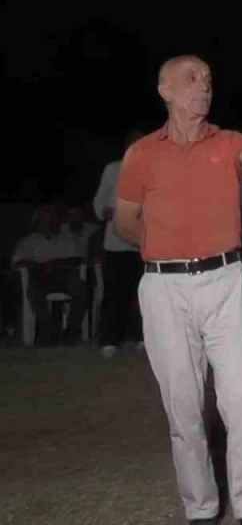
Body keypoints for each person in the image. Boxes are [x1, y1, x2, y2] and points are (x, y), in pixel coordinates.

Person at [114, 55, 242, 525]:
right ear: (164, 90)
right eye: (191, 79)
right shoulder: (141, 154)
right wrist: (165, 247)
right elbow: (125, 222)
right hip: (164, 287)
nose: (203, 87)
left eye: (208, 80)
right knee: (183, 403)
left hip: (225, 280)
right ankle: (201, 505)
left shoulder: (228, 142)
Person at [93, 130, 146, 357]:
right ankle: (109, 340)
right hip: (115, 244)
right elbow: (99, 204)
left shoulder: (153, 170)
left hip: (143, 244)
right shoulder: (113, 169)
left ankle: (141, 338)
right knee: (115, 292)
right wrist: (107, 212)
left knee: (143, 294)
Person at [11, 204, 86, 344]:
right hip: (40, 276)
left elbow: (79, 259)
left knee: (81, 289)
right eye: (45, 219)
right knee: (34, 293)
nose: (50, 222)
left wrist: (57, 262)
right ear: (38, 223)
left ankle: (71, 333)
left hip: (64, 274)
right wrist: (38, 265)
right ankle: (49, 332)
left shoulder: (68, 238)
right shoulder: (29, 241)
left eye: (53, 219)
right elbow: (17, 262)